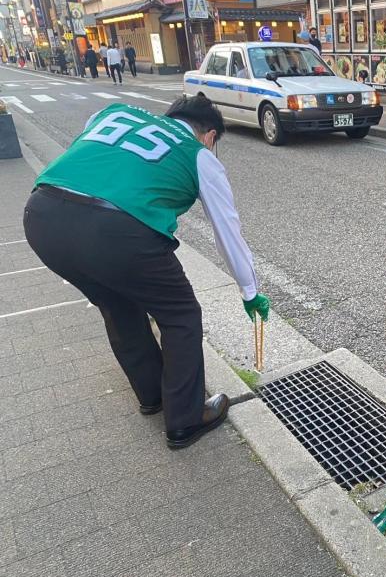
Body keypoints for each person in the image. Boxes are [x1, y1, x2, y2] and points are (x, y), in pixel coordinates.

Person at [23, 96, 271, 450]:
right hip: (117, 231)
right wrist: (250, 291)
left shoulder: (113, 113)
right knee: (181, 314)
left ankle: (153, 395)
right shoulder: (198, 154)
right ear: (210, 135)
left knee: (116, 303)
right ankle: (185, 419)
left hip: (42, 216)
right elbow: (227, 231)